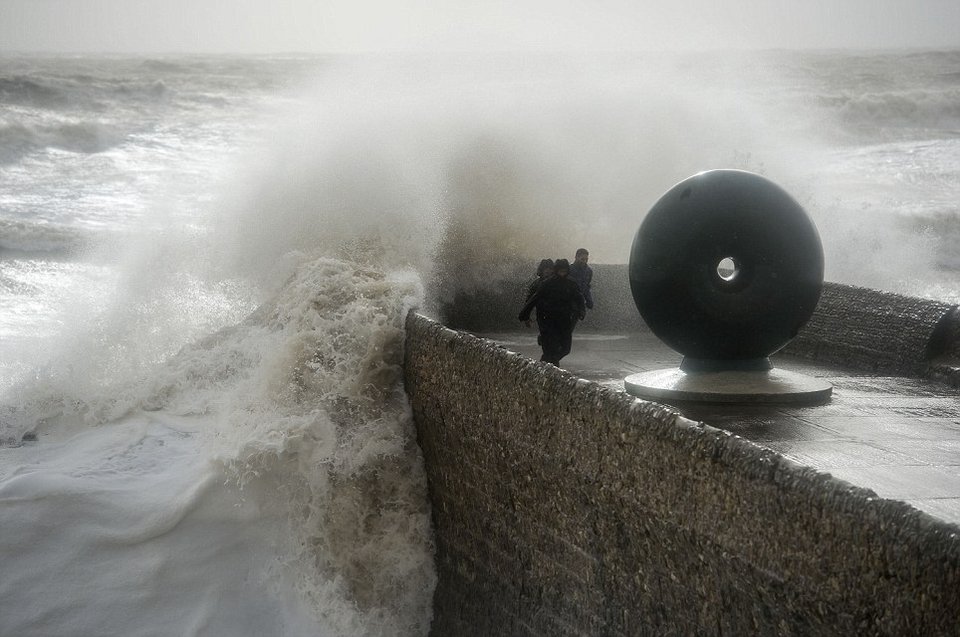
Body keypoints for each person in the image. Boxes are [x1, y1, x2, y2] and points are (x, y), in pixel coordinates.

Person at [518, 258, 586, 366]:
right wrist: (525, 315)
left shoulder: (571, 283)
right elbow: (533, 299)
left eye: (564, 271)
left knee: (565, 349)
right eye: (560, 271)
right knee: (550, 347)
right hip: (546, 318)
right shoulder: (545, 284)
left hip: (564, 319)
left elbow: (579, 298)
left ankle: (546, 362)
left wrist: (581, 311)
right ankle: (549, 367)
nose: (562, 274)